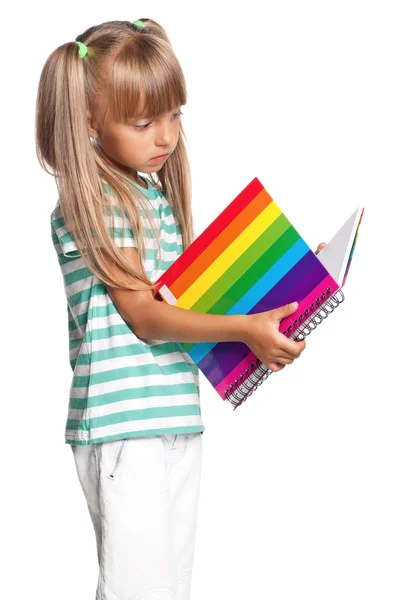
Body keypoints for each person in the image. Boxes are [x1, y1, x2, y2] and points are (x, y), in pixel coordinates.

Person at [35, 18, 324, 600]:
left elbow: (183, 307)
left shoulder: (148, 195)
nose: (165, 136)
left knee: (165, 591)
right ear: (91, 121)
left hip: (172, 419)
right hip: (124, 426)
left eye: (174, 114)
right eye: (144, 122)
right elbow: (145, 317)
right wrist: (244, 328)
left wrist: (293, 286)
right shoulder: (93, 199)